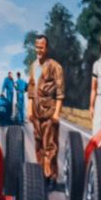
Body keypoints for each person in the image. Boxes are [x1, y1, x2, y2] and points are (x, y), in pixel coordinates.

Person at [26, 32, 64, 182]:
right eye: (37, 47)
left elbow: (60, 93)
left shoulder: (55, 67)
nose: (39, 50)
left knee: (50, 146)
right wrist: (29, 109)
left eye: (41, 47)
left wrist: (56, 113)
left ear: (46, 48)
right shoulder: (33, 66)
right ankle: (41, 176)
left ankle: (51, 176)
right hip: (36, 113)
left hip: (49, 112)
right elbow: (31, 89)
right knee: (39, 145)